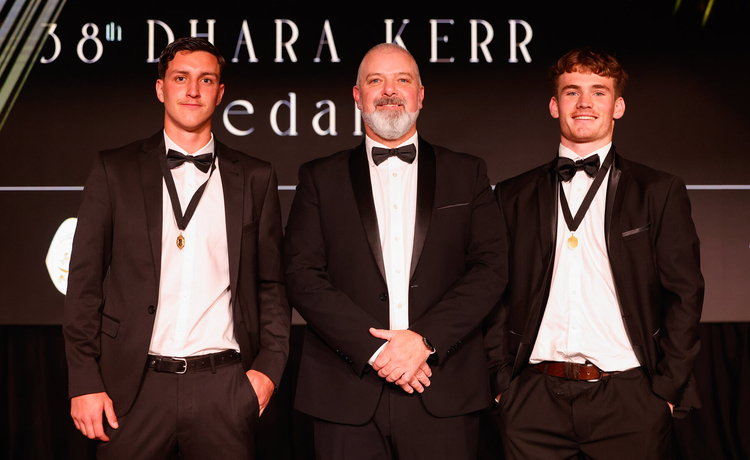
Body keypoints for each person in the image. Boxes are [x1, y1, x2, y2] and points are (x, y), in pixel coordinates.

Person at [63, 37, 290, 458]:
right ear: (160, 88)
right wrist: (84, 380)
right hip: (132, 388)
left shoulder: (255, 177)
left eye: (206, 80)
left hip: (224, 387)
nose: (193, 90)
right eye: (181, 78)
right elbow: (83, 286)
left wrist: (268, 370)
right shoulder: (114, 170)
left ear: (220, 93)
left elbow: (272, 284)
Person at [283, 43, 507, 459]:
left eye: (402, 80)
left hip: (442, 387)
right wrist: (378, 351)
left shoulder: (467, 172)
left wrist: (424, 340)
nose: (389, 90)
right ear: (357, 96)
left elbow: (490, 268)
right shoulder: (319, 178)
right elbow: (302, 275)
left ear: (420, 95)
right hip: (345, 392)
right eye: (376, 81)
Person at [486, 47, 704, 459]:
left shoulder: (658, 191)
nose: (584, 102)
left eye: (598, 92)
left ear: (618, 106)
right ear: (554, 105)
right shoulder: (512, 195)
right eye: (572, 92)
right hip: (532, 401)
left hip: (630, 400)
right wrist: (502, 386)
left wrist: (665, 393)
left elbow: (685, 294)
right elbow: (494, 291)